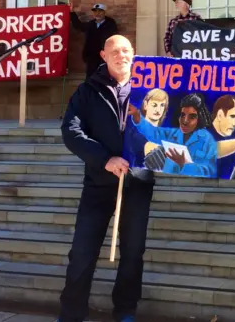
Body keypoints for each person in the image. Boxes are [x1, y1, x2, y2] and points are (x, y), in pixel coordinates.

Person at [58, 35, 153, 322]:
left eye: (125, 50)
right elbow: (71, 132)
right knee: (82, 253)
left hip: (136, 183)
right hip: (98, 184)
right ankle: (72, 314)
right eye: (114, 51)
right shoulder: (87, 91)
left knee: (133, 253)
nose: (120, 55)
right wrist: (105, 159)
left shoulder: (152, 88)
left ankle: (125, 311)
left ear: (133, 53)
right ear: (103, 55)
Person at [129, 93, 217, 177]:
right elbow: (153, 132)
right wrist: (137, 115)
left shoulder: (207, 140)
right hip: (167, 186)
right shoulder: (173, 134)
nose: (185, 121)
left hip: (191, 189)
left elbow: (210, 172)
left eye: (192, 117)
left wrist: (185, 165)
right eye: (183, 115)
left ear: (200, 118)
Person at [70, 2, 118, 79]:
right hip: (92, 57)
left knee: (104, 78)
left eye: (100, 11)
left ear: (104, 12)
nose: (97, 13)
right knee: (90, 78)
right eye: (95, 11)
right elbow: (79, 26)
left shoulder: (110, 24)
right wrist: (72, 13)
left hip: (105, 57)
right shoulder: (91, 24)